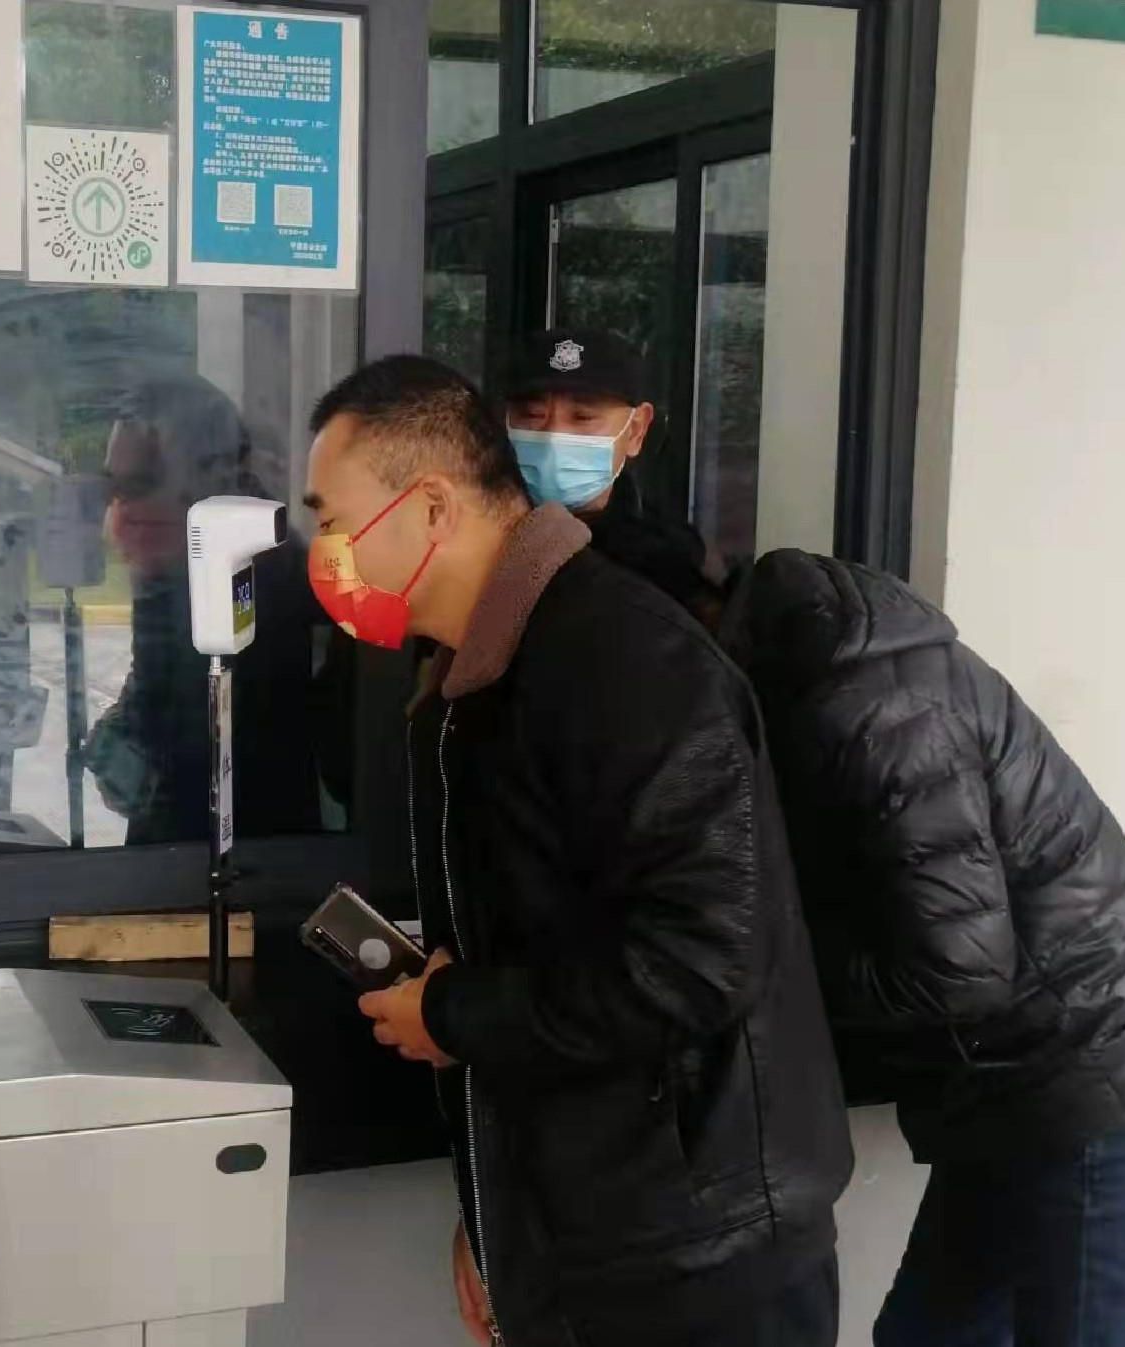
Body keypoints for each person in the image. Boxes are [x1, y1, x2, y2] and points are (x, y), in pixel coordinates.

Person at [302, 354, 852, 1346]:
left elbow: (695, 963)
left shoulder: (627, 664)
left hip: (693, 1263)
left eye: (334, 519)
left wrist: (452, 1012)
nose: (326, 553)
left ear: (431, 510)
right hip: (579, 1233)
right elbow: (532, 942)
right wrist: (497, 1216)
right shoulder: (472, 677)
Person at [717, 549, 1125, 1347]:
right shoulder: (818, 687)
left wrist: (781, 980)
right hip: (1011, 1091)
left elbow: (958, 969)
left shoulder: (876, 705)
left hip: (1096, 1082)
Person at [84, 374, 334, 844]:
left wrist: (126, 742)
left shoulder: (250, 579)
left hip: (237, 858)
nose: (121, 508)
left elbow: (195, 755)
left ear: (208, 479)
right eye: (112, 488)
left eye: (139, 484)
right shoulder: (178, 568)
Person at [503, 328, 730, 631]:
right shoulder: (472, 536)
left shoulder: (670, 565)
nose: (553, 437)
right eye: (532, 415)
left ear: (636, 430)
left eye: (582, 418)